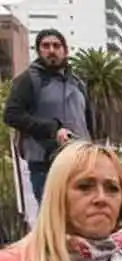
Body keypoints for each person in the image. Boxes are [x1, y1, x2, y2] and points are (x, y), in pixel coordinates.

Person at [2, 29, 92, 205]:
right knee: (53, 222)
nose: (51, 50)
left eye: (56, 45)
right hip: (46, 165)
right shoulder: (28, 80)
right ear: (38, 51)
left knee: (82, 222)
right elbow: (11, 115)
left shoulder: (78, 83)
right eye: (45, 46)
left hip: (81, 165)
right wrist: (52, 129)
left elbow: (88, 123)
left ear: (65, 51)